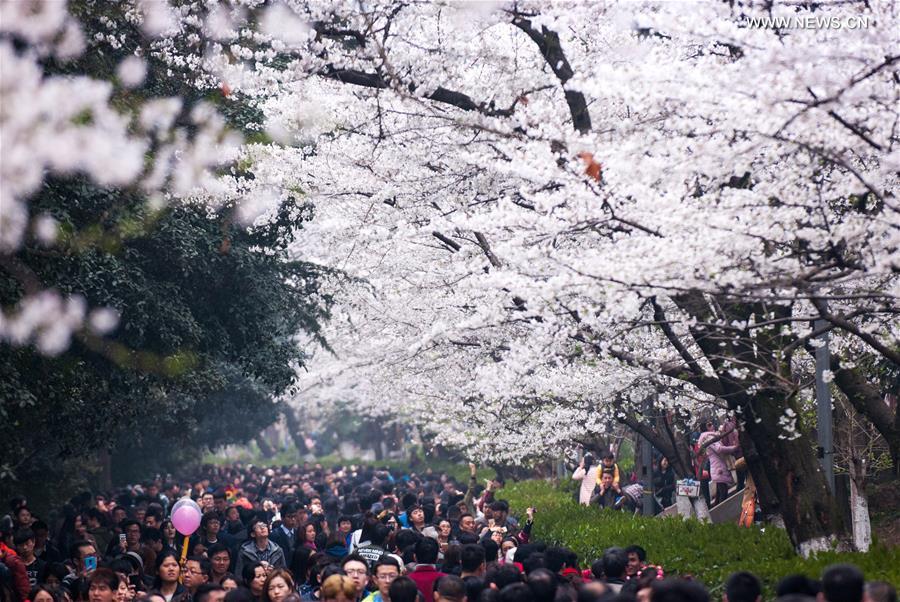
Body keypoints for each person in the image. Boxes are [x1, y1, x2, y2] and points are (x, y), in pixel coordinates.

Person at [698, 428, 740, 507]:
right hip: (718, 468)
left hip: (717, 467)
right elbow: (719, 449)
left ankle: (718, 511)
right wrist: (734, 448)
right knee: (723, 492)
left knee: (720, 493)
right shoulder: (709, 439)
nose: (712, 426)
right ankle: (722, 513)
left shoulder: (708, 439)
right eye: (709, 425)